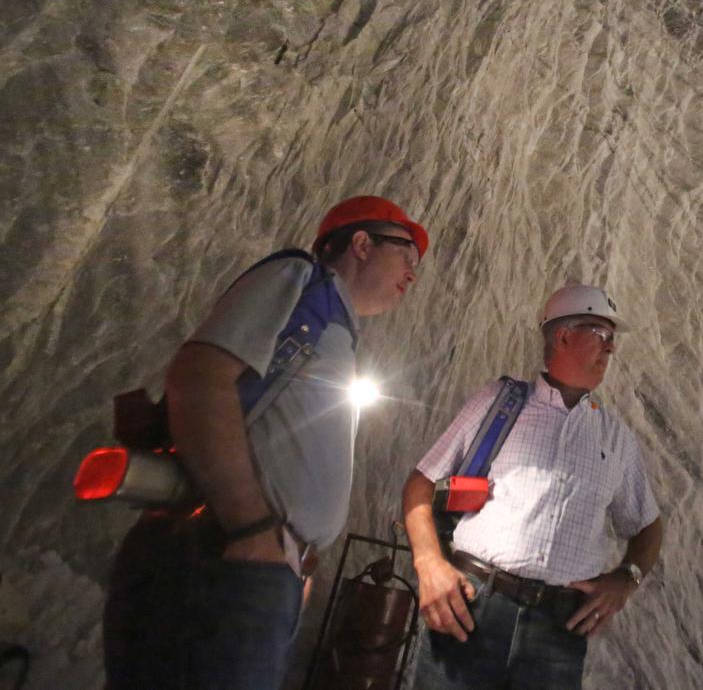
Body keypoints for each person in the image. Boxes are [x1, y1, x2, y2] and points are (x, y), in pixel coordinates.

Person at [102, 195, 429, 690]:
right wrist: (252, 529)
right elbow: (201, 376)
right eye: (407, 251)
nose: (414, 270)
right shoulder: (299, 281)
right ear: (362, 243)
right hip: (221, 559)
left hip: (257, 566)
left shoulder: (338, 331)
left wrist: (294, 559)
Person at [403, 284, 664, 690]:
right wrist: (429, 566)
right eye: (601, 334)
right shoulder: (498, 404)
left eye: (613, 339)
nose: (611, 348)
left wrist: (626, 579)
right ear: (563, 336)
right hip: (473, 607)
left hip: (557, 630)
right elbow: (420, 485)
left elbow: (647, 526)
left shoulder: (616, 439)